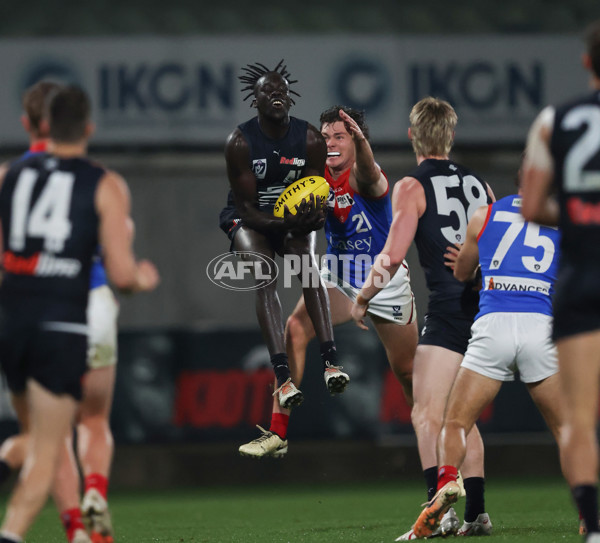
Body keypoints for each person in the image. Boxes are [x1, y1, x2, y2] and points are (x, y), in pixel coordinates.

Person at [0, 85, 159, 543]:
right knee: (82, 425)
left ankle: (74, 527)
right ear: (88, 127)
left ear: (36, 125)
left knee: (41, 437)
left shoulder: (11, 176)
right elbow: (122, 270)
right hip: (76, 315)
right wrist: (143, 278)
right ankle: (91, 501)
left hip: (16, 318)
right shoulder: (102, 182)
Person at [351, 97, 495, 540]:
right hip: (486, 307)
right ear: (450, 136)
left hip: (450, 311)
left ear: (413, 135)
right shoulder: (481, 185)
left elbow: (392, 256)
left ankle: (440, 512)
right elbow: (495, 246)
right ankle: (477, 514)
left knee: (426, 414)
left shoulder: (411, 186)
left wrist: (363, 296)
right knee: (460, 416)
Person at [238, 105, 418, 458]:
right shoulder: (315, 176)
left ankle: (438, 457)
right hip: (338, 274)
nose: (332, 143)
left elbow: (368, 171)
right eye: (326, 137)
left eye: (341, 136)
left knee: (409, 375)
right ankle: (278, 431)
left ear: (356, 140)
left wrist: (363, 143)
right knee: (295, 328)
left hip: (383, 280)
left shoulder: (364, 176)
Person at [409, 190, 564, 538]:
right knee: (567, 432)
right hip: (539, 325)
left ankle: (448, 479)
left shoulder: (484, 215)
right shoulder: (565, 215)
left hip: (493, 326)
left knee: (454, 422)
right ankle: (589, 513)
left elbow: (462, 272)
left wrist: (479, 264)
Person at [220, 61, 342, 424]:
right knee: (264, 274)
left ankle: (332, 362)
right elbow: (247, 209)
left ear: (291, 97)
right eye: (267, 91)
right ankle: (283, 377)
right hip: (252, 217)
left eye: (282, 90)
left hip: (291, 217)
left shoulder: (309, 140)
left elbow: (317, 195)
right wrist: (286, 221)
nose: (276, 95)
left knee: (307, 265)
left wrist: (316, 216)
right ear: (254, 100)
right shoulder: (240, 142)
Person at [520, 20, 600, 543]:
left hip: (581, 275)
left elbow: (530, 206)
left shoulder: (555, 119)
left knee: (578, 417)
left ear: (587, 62)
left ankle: (593, 529)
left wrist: (578, 215)